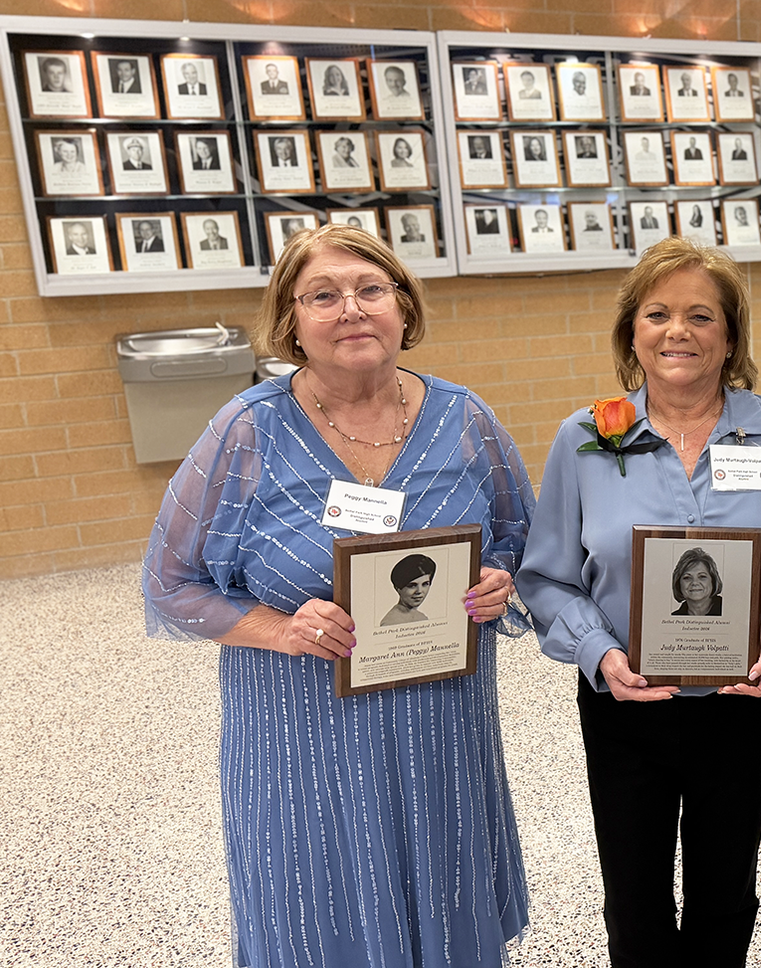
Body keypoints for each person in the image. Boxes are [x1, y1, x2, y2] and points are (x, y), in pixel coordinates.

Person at [142, 223, 536, 967]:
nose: (351, 308)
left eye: (370, 289)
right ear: (292, 321)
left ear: (403, 306)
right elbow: (170, 584)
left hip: (439, 735)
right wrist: (278, 626)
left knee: (446, 911)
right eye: (323, 295)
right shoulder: (247, 431)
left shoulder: (465, 421)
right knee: (316, 913)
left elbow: (520, 538)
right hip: (304, 739)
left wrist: (497, 581)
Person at [518, 237, 761, 965]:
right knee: (634, 900)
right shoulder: (587, 438)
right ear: (633, 332)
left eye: (701, 315)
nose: (678, 331)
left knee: (728, 895)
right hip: (624, 703)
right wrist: (597, 653)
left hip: (743, 701)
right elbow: (545, 577)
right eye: (657, 313)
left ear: (730, 338)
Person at [380, 554, 435, 626]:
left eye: (425, 584)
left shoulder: (421, 617)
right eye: (412, 585)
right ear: (398, 588)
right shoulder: (391, 623)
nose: (419, 591)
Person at [667, 547, 723, 616]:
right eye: (687, 577)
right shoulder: (673, 618)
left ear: (713, 581)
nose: (694, 583)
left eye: (702, 576)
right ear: (678, 584)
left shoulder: (730, 611)